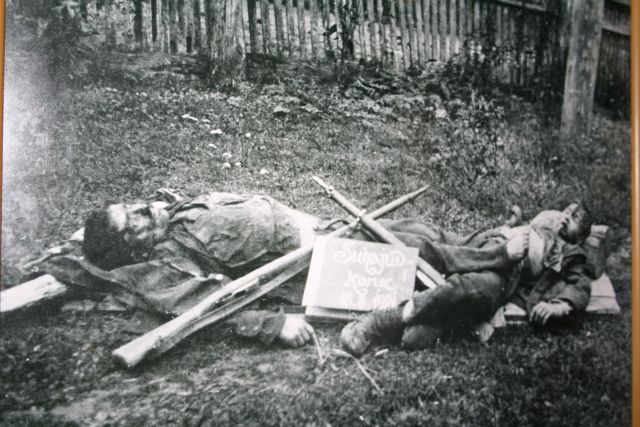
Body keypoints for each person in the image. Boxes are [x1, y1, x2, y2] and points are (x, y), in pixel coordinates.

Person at [339, 202, 595, 356]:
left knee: (478, 290)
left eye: (574, 219)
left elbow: (580, 285)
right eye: (567, 211)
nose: (565, 218)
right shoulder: (544, 222)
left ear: (581, 237)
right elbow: (527, 224)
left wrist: (562, 304)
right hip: (484, 243)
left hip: (510, 268)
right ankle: (337, 241)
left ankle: (381, 320)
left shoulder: (574, 253)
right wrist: (517, 224)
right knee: (417, 238)